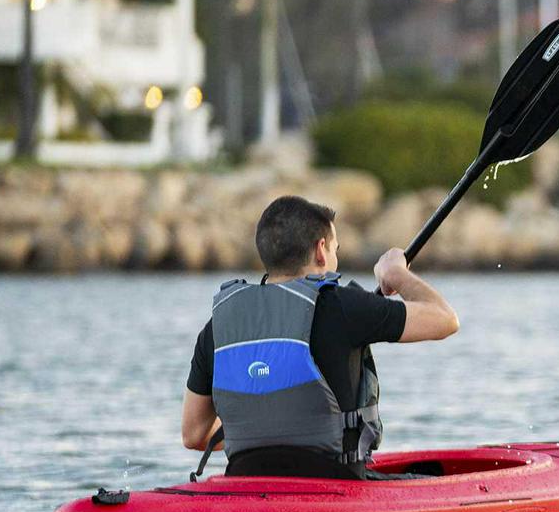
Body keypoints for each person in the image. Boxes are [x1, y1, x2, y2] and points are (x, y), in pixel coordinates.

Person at [181, 195, 458, 478]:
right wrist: (396, 273)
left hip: (246, 484)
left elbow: (194, 434)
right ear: (321, 250)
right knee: (432, 473)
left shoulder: (219, 326)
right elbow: (444, 319)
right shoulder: (342, 305)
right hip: (334, 486)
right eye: (336, 249)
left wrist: (263, 434)